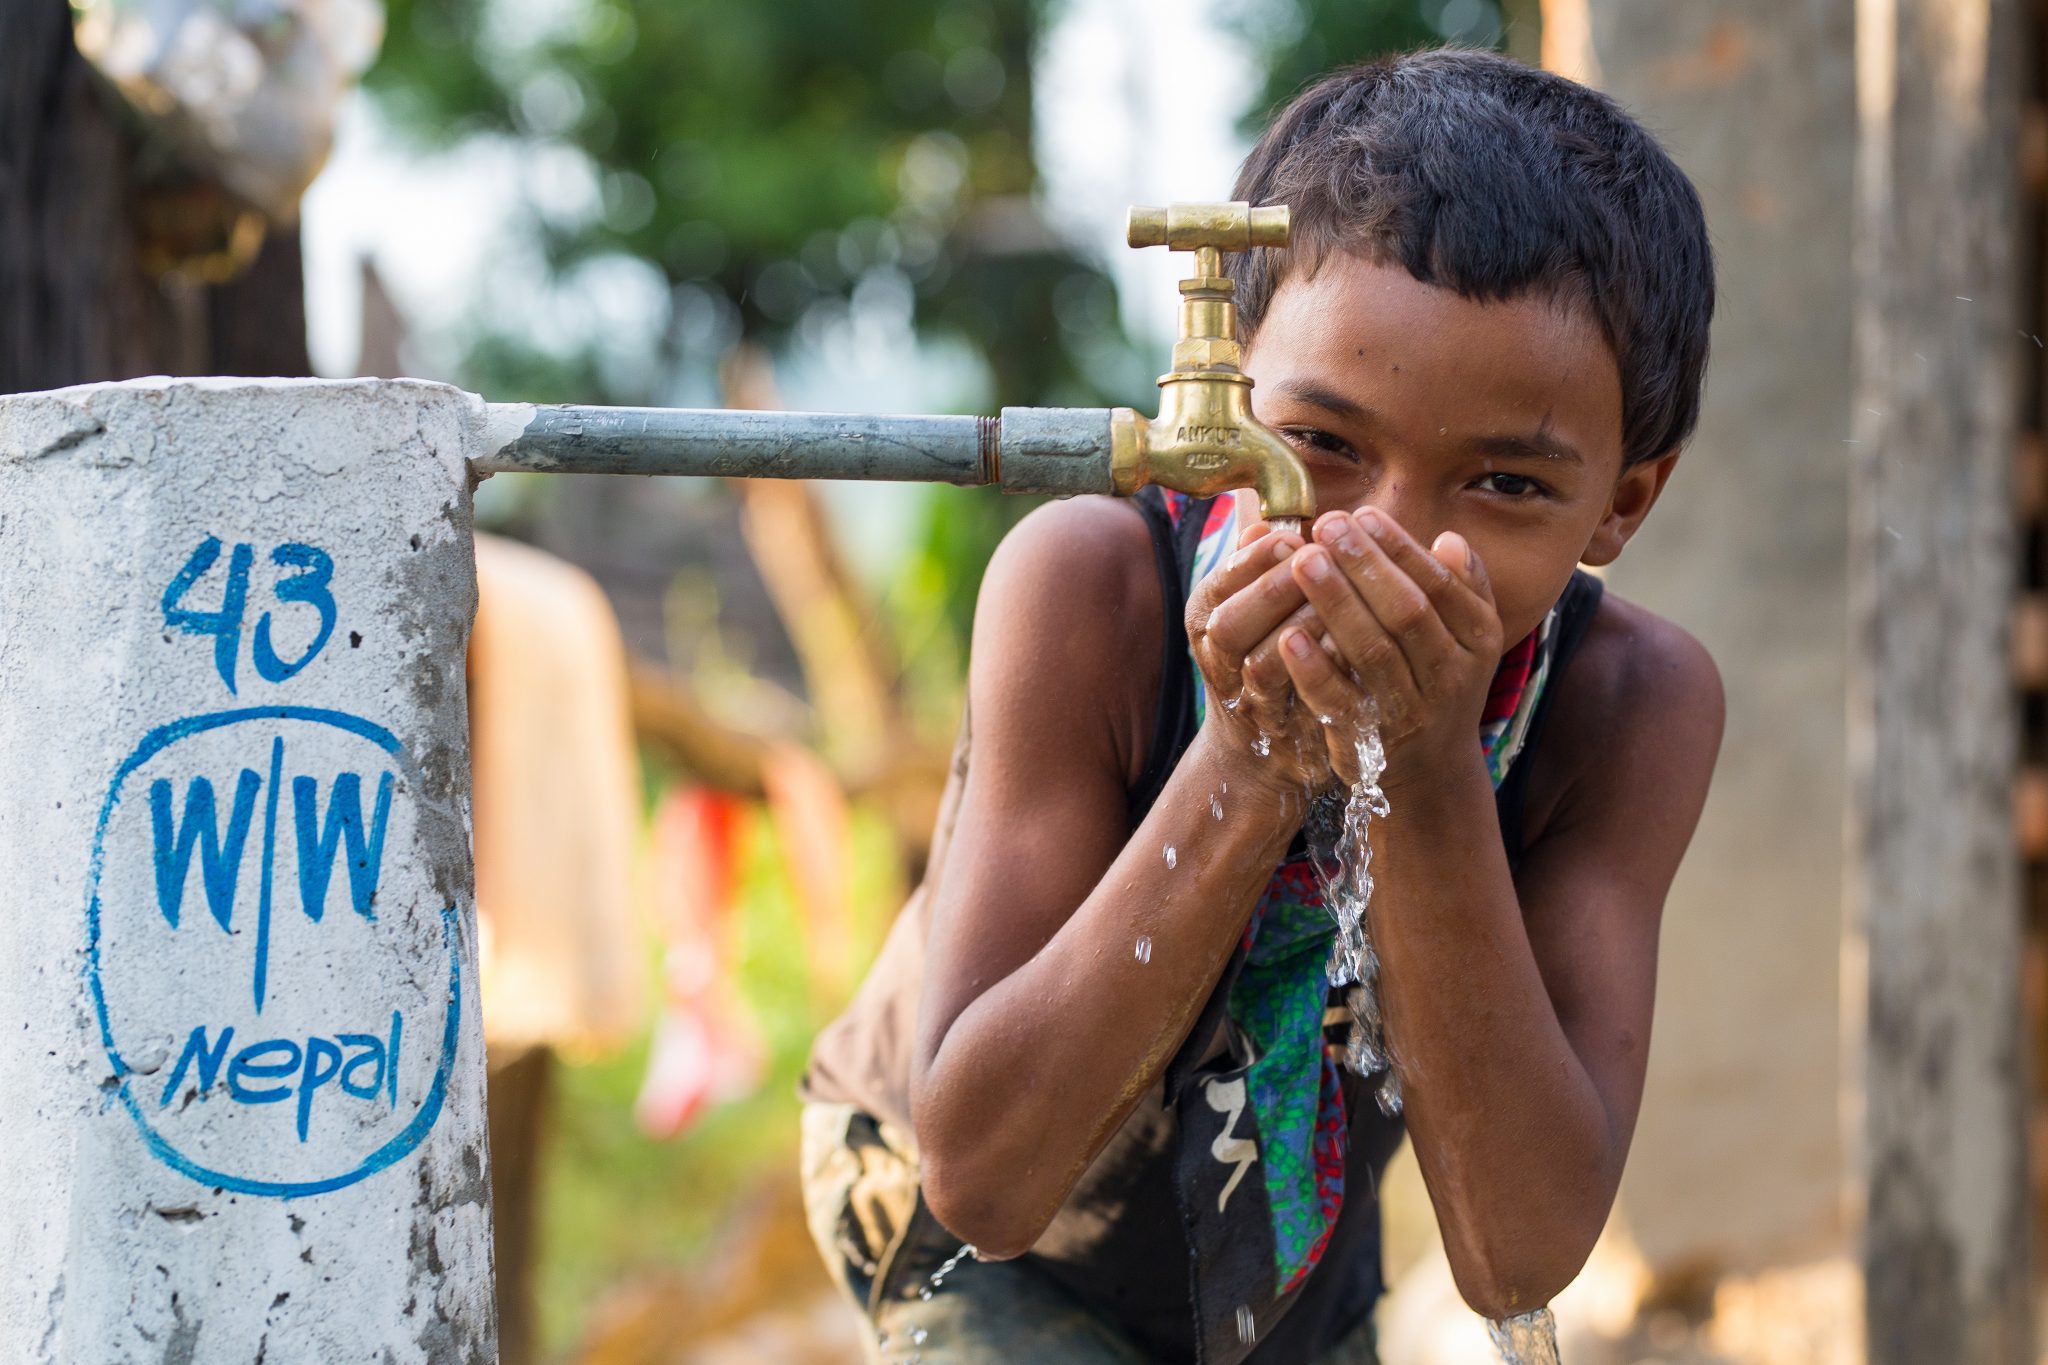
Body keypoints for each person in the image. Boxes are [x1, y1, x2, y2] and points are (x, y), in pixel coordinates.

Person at [800, 47, 1723, 1364]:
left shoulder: (1630, 705)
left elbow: (1514, 1252)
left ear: (1624, 501)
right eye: (1326, 447)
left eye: (1506, 485)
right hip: (957, 1197)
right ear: (1227, 394)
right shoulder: (1095, 589)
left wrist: (1429, 766)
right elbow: (984, 1177)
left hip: (1288, 1234)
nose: (1380, 546)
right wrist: (1244, 757)